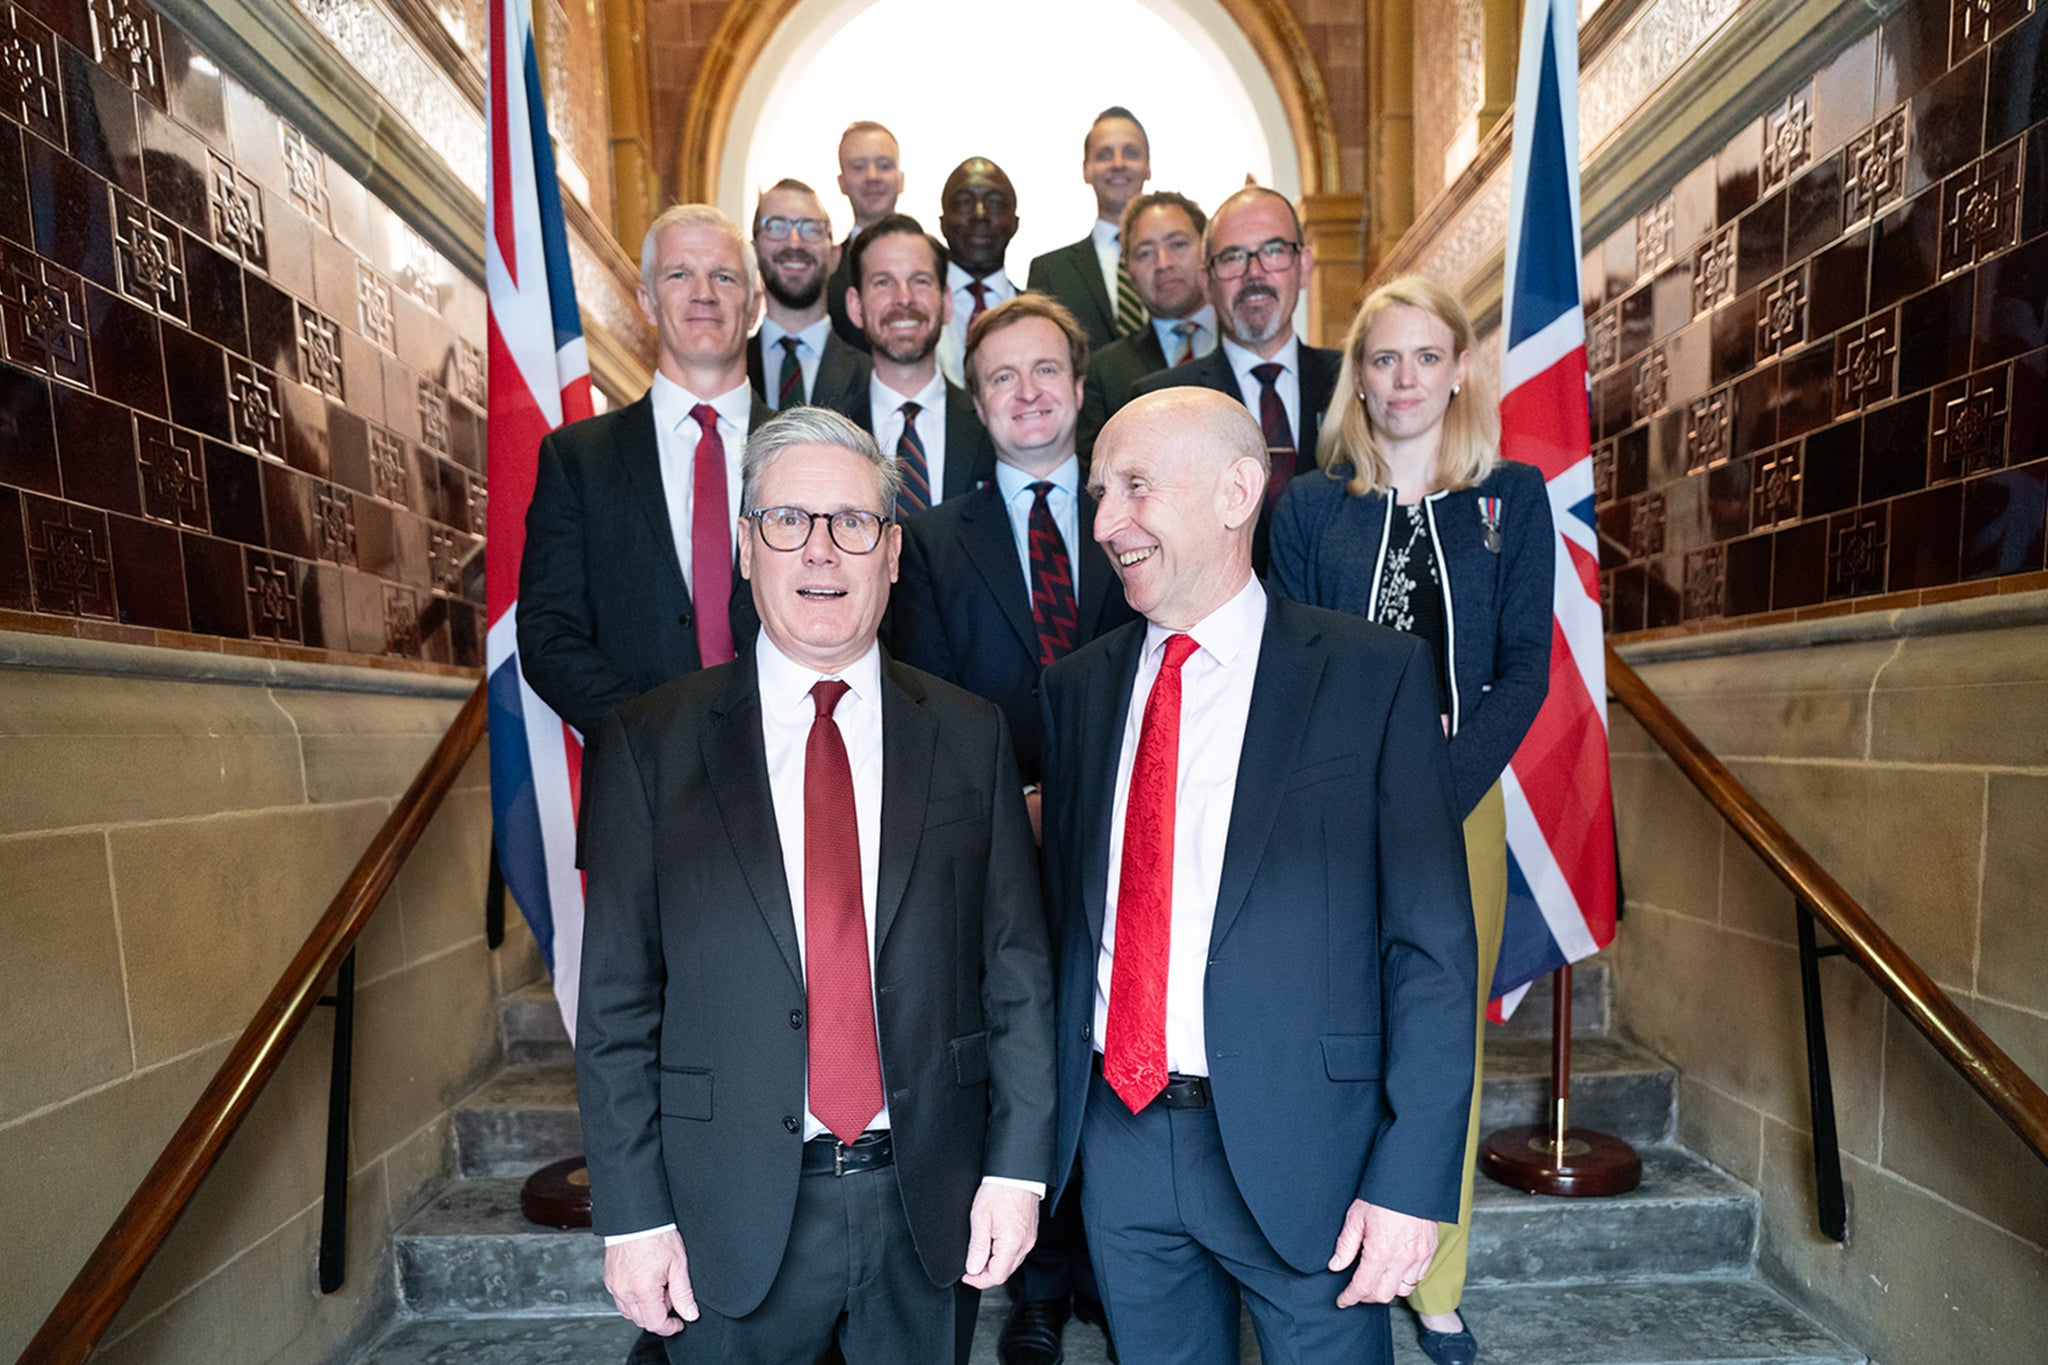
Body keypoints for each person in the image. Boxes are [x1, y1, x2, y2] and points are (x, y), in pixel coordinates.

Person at [576, 407, 1058, 1365]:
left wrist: (1017, 1171)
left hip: (930, 1197)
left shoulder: (972, 734)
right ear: (748, 549)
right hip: (729, 1205)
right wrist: (631, 1218)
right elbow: (618, 1003)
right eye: (789, 521)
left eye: (854, 523)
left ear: (890, 555)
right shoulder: (647, 745)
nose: (823, 550)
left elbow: (1017, 974)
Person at [1039, 387, 1477, 1365]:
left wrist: (1409, 1179)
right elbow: (1065, 931)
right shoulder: (1075, 691)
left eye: (1136, 486)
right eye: (1099, 491)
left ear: (1237, 490)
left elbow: (1430, 951)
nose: (1106, 521)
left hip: (1308, 1148)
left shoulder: (1371, 676)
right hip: (1119, 1142)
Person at [1269, 276, 1555, 1365]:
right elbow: (1283, 666)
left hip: (1456, 804)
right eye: (1381, 360)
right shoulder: (1307, 506)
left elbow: (1523, 671)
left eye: (1424, 357)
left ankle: (1435, 1278)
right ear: (1357, 377)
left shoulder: (1509, 499)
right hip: (1324, 813)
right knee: (1331, 1028)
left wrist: (1434, 792)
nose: (1402, 380)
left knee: (1440, 1039)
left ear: (1458, 367)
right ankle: (1332, 1242)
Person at [888, 295, 1141, 1365]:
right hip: (991, 842)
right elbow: (930, 699)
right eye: (1001, 377)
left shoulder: (1135, 514)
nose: (1027, 393)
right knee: (1019, 1050)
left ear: (1081, 391)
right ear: (973, 399)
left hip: (1133, 834)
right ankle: (1035, 1284)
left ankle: (1118, 1267)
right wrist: (1016, 800)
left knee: (1117, 1042)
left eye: (1047, 372)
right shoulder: (935, 537)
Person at [517, 204, 773, 736]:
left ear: (755, 307)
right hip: (639, 786)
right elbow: (550, 636)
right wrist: (655, 736)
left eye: (724, 276)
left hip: (788, 770)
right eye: (679, 274)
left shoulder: (811, 456)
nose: (703, 292)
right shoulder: (578, 460)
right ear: (647, 302)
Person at [1128, 186, 1340, 574]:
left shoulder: (1352, 382)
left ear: (1305, 266)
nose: (1254, 272)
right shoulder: (1165, 400)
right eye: (1233, 257)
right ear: (1207, 282)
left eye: (1273, 251)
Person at [829, 214, 996, 511]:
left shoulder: (993, 427)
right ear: (855, 307)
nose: (904, 298)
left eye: (920, 281)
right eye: (883, 282)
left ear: (947, 303)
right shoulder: (829, 437)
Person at [1077, 190, 1216, 455]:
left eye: (1177, 244)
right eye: (1145, 253)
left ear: (1207, 250)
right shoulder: (1104, 373)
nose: (1163, 263)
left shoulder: (1247, 344)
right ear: (1129, 272)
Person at [1026, 107, 1153, 349]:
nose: (1118, 164)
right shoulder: (1050, 272)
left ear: (1148, 166)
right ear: (1086, 170)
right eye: (1105, 155)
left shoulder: (1184, 260)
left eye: (1131, 153)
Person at [747, 179, 869, 412]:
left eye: (811, 228)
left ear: (835, 256)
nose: (794, 242)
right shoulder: (729, 367)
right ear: (753, 251)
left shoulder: (871, 376)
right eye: (776, 227)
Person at [935, 157, 1020, 387]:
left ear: (1015, 223)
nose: (979, 214)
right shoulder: (918, 313)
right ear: (942, 224)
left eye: (994, 203)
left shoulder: (1038, 319)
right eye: (963, 202)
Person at [827, 121, 904, 351]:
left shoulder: (936, 262)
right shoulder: (826, 272)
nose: (872, 176)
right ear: (842, 183)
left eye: (884, 165)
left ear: (901, 180)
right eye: (859, 167)